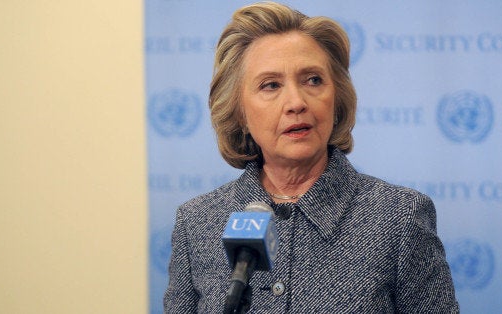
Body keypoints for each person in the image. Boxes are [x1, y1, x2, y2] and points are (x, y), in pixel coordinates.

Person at [164, 2, 459, 313]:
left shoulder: (400, 219)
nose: (296, 102)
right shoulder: (197, 223)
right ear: (240, 112)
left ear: (337, 98)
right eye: (271, 85)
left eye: (313, 80)